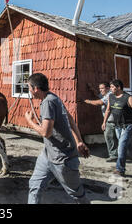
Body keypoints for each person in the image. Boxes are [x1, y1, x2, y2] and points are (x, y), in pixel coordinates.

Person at [25, 73, 90, 204]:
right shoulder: (54, 97)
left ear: (36, 88)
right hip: (48, 154)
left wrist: (29, 122)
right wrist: (79, 141)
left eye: (29, 88)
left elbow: (46, 133)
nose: (29, 91)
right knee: (35, 186)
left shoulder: (48, 102)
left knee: (77, 195)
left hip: (63, 159)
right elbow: (70, 119)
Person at [103, 79, 132, 177]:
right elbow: (108, 110)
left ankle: (120, 169)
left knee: (121, 146)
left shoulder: (128, 98)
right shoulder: (111, 97)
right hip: (118, 125)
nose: (111, 89)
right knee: (127, 143)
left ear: (118, 87)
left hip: (129, 125)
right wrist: (104, 122)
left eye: (113, 87)